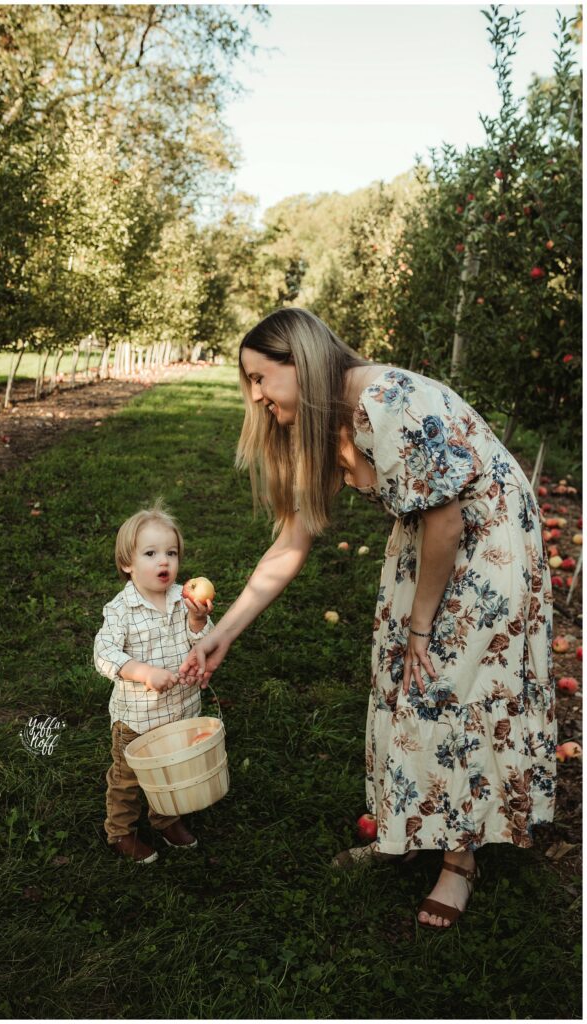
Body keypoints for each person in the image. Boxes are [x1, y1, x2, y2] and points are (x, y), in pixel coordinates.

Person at [180, 307, 555, 927]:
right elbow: (290, 544)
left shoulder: (385, 402)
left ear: (299, 363)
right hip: (430, 542)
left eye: (260, 378)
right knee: (401, 679)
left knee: (451, 687)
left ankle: (459, 862)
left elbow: (448, 517)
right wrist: (223, 633)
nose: (255, 395)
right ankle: (406, 826)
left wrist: (422, 621)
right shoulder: (326, 422)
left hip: (489, 549)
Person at [94, 500, 214, 864]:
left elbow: (202, 645)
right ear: (127, 564)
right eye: (150, 553)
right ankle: (120, 831)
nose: (164, 561)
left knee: (169, 772)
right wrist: (143, 672)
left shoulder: (183, 600)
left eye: (171, 553)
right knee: (128, 780)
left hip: (180, 713)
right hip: (137, 720)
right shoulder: (120, 611)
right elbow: (104, 654)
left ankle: (165, 818)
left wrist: (197, 623)